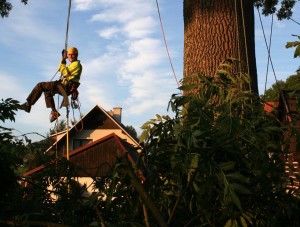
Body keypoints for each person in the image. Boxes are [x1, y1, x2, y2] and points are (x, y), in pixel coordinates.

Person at [18, 47, 83, 122]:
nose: (70, 56)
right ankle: (54, 112)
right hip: (63, 86)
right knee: (47, 91)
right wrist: (63, 59)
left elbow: (64, 72)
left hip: (65, 87)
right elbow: (60, 69)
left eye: (73, 55)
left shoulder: (76, 65)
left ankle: (27, 105)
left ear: (76, 55)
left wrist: (63, 61)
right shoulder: (72, 65)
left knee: (40, 85)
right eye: (69, 55)